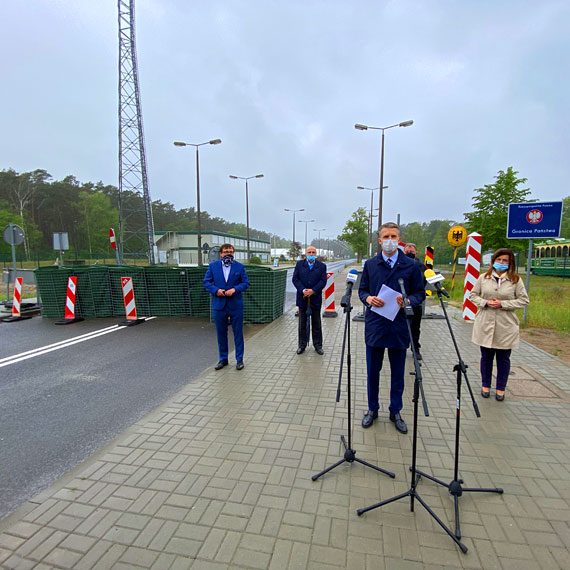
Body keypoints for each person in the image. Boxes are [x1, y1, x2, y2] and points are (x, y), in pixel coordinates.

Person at [359, 223, 425, 433]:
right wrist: (368, 298)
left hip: (399, 326)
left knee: (398, 373)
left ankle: (395, 410)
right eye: (386, 236)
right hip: (376, 326)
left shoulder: (411, 265)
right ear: (380, 240)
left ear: (399, 239)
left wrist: (407, 300)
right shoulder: (370, 264)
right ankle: (372, 408)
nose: (389, 240)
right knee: (372, 373)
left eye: (393, 236)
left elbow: (419, 294)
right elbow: (362, 291)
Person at [470, 248, 529, 401]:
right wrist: (485, 302)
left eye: (505, 261)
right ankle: (485, 385)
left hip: (505, 324)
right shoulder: (484, 278)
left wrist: (503, 304)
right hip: (486, 322)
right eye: (499, 260)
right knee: (486, 357)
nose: (502, 263)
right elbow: (473, 295)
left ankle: (501, 388)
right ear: (494, 261)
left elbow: (524, 300)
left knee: (503, 359)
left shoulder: (515, 280)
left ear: (510, 264)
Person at [203, 243, 250, 371]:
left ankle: (239, 359)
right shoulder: (213, 266)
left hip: (235, 305)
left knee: (238, 333)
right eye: (225, 252)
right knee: (221, 333)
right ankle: (223, 359)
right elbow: (206, 282)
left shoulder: (239, 267)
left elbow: (245, 283)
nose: (228, 254)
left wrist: (235, 289)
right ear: (221, 253)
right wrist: (216, 290)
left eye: (230, 251)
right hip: (219, 305)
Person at [292, 245, 327, 355]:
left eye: (313, 252)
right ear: (305, 254)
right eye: (309, 252)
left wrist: (313, 290)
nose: (311, 254)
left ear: (316, 254)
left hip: (315, 299)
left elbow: (323, 281)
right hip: (303, 299)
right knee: (302, 323)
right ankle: (302, 345)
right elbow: (295, 279)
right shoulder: (299, 265)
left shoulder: (322, 266)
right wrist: (303, 290)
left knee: (316, 323)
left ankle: (318, 345)